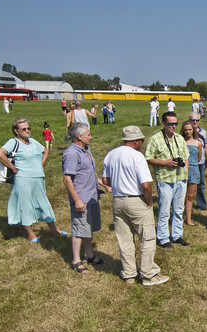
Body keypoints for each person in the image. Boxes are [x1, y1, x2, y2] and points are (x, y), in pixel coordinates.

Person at [102, 126, 168, 286]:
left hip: (118, 200)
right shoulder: (137, 157)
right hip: (136, 199)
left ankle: (129, 274)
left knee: (124, 239)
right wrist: (150, 201)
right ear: (137, 141)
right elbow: (145, 185)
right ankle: (148, 274)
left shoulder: (110, 155)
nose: (142, 143)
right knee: (147, 237)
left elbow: (106, 181)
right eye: (142, 140)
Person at [0, 117, 68, 242]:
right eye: (24, 129)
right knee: (26, 205)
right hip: (23, 179)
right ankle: (31, 234)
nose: (27, 131)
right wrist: (13, 168)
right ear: (16, 131)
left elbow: (45, 152)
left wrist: (40, 165)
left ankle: (54, 230)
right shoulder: (14, 142)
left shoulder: (33, 141)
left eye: (29, 128)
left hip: (38, 178)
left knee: (44, 204)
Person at [62, 123, 107, 274]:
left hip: (91, 196)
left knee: (88, 228)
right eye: (89, 134)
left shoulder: (85, 150)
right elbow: (67, 179)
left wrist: (104, 185)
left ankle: (89, 255)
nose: (91, 136)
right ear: (80, 136)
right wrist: (77, 200)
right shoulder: (72, 153)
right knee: (79, 229)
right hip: (81, 198)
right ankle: (76, 260)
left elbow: (90, 173)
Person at [145, 111, 189, 248]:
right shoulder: (155, 139)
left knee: (178, 209)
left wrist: (186, 174)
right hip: (165, 180)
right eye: (170, 124)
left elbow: (186, 157)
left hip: (181, 179)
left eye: (176, 123)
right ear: (163, 124)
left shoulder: (179, 138)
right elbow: (148, 158)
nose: (174, 126)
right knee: (164, 210)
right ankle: (163, 238)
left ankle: (177, 235)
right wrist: (165, 163)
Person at [181, 120, 204, 226]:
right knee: (180, 196)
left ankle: (188, 219)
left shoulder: (198, 143)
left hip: (194, 170)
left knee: (190, 196)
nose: (188, 132)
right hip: (181, 170)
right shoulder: (180, 142)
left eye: (190, 129)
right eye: (186, 130)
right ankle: (179, 216)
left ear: (193, 130)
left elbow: (199, 158)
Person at [189, 114, 207, 211]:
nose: (195, 122)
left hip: (201, 162)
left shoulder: (203, 132)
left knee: (201, 183)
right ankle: (188, 204)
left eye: (197, 120)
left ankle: (201, 204)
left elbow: (206, 147)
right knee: (189, 184)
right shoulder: (187, 132)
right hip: (189, 163)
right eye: (193, 120)